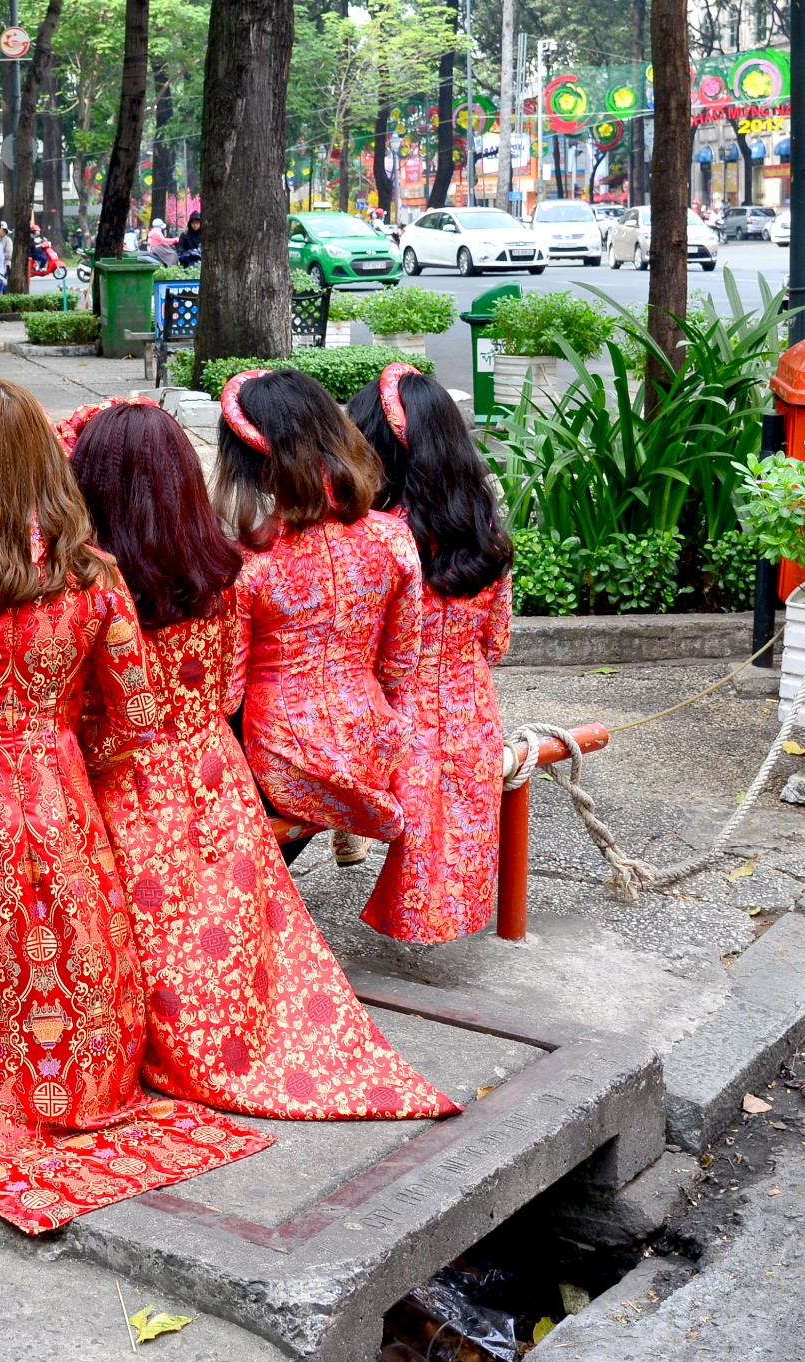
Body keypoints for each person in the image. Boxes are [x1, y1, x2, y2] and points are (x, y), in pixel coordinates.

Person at [0, 377, 271, 1236]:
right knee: (59, 947)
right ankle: (68, 1086)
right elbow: (140, 719)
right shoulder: (93, 575)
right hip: (58, 790)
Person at [61, 395, 457, 1121]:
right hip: (259, 765)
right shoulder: (228, 569)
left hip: (162, 781)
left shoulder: (95, 591)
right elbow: (396, 664)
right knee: (237, 910)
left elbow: (128, 719)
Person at [216, 369, 422, 856]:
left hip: (285, 758)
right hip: (370, 744)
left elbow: (226, 691)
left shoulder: (251, 560)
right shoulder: (393, 538)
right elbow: (398, 667)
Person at [346, 365, 515, 943]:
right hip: (473, 720)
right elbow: (496, 644)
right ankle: (448, 915)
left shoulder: (378, 540)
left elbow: (359, 653)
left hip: (393, 724)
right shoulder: (488, 535)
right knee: (456, 816)